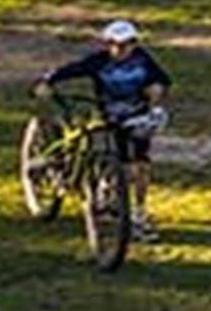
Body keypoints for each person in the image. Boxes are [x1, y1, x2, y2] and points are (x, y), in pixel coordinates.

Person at [35, 19, 174, 241]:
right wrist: (47, 81)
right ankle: (109, 193)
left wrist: (155, 97)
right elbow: (72, 69)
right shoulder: (99, 62)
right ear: (107, 44)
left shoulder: (143, 60)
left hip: (137, 117)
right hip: (111, 115)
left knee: (141, 166)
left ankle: (138, 212)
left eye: (127, 44)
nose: (121, 49)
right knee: (118, 161)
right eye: (115, 44)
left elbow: (163, 81)